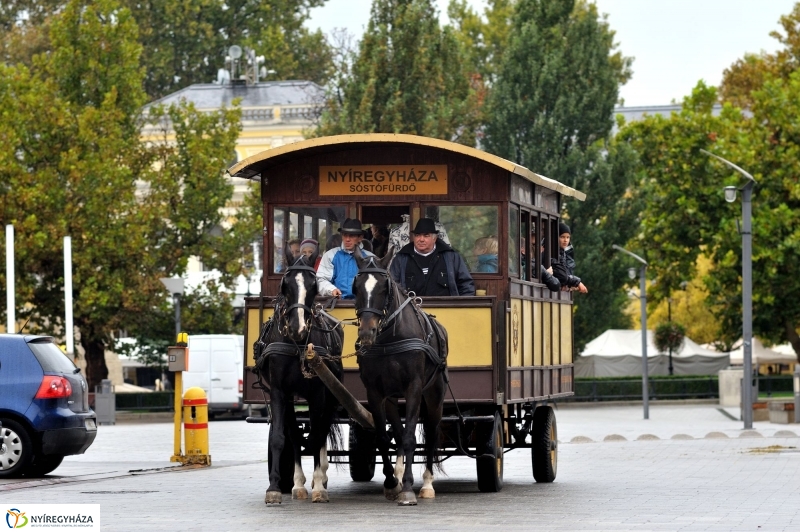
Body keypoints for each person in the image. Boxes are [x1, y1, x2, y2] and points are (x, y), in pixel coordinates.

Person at [389, 218, 475, 296]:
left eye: (426, 236)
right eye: (418, 235)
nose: (421, 239)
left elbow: (466, 284)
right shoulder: (401, 259)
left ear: (434, 238)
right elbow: (391, 285)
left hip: (446, 309)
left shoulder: (451, 257)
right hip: (411, 311)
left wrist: (463, 307)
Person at [317, 218, 375, 299]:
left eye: (352, 235)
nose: (347, 239)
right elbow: (321, 280)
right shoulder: (330, 255)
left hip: (363, 306)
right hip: (337, 304)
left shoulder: (371, 258)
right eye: (345, 235)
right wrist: (332, 290)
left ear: (360, 238)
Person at [552, 222, 588, 293]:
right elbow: (562, 276)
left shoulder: (566, 252)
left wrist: (570, 284)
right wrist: (577, 282)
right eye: (562, 237)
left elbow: (567, 272)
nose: (565, 240)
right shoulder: (552, 252)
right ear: (556, 237)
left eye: (568, 237)